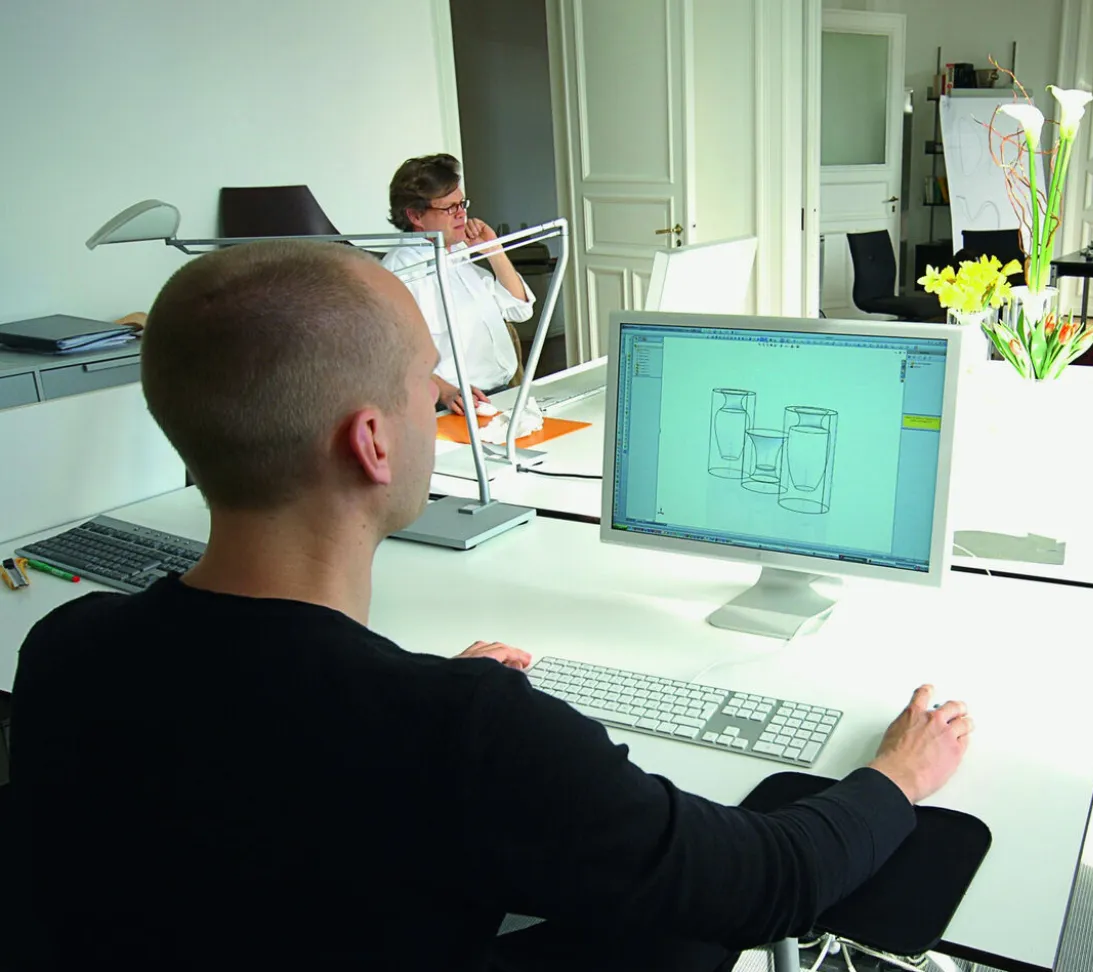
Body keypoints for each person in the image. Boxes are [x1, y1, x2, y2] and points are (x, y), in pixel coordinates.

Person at [8, 240, 974, 972]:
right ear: (373, 443)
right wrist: (897, 776)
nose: (445, 396)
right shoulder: (463, 736)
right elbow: (766, 883)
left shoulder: (66, 648)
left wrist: (416, 692)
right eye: (426, 379)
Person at [382, 152, 534, 414]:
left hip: (502, 392)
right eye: (449, 208)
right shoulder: (401, 271)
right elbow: (391, 353)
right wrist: (445, 391)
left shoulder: (458, 255)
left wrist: (494, 250)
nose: (461, 214)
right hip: (453, 405)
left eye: (462, 204)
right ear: (415, 216)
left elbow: (520, 309)